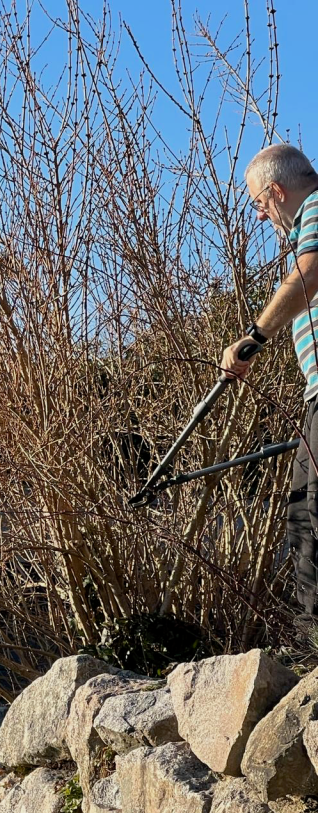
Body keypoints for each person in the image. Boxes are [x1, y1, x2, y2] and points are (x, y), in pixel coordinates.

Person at [221, 144, 318, 627]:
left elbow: (309, 274)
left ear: (277, 192)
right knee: (302, 516)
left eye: (259, 203)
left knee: (311, 519)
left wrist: (253, 339)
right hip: (314, 396)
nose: (261, 215)